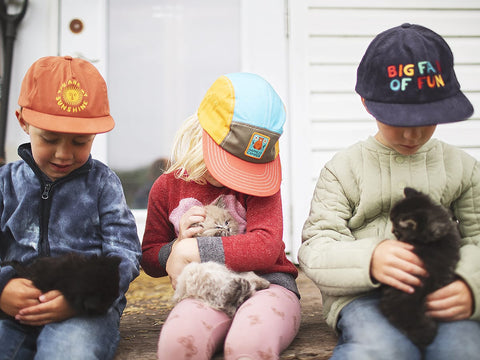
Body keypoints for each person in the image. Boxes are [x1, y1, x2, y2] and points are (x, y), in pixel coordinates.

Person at [299, 23, 480, 359]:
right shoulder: (343, 169)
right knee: (382, 348)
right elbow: (316, 247)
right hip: (365, 297)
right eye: (400, 120)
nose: (412, 135)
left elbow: (478, 237)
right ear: (367, 103)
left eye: (426, 119)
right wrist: (370, 259)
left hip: (445, 287)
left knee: (464, 348)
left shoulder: (464, 168)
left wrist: (472, 285)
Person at [141, 72, 301, 360]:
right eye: (232, 165)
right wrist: (176, 249)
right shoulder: (166, 187)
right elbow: (150, 257)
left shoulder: (263, 186)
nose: (242, 178)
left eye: (249, 169)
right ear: (205, 135)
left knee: (248, 344)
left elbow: (266, 247)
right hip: (206, 289)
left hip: (269, 285)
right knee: (179, 343)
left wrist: (195, 249)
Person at [0, 56, 141, 360]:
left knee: (68, 351)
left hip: (84, 308)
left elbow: (125, 254)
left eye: (80, 142)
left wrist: (79, 297)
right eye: (49, 139)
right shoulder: (4, 184)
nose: (64, 154)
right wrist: (1, 291)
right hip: (13, 305)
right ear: (23, 121)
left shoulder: (103, 184)